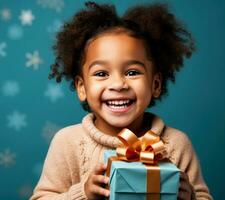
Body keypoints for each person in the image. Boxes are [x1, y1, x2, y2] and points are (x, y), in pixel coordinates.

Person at [30, 2, 212, 200]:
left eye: (132, 72)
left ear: (156, 84)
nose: (118, 84)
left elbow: (204, 197)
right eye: (101, 73)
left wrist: (191, 197)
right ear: (82, 87)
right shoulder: (67, 142)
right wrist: (83, 194)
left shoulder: (176, 144)